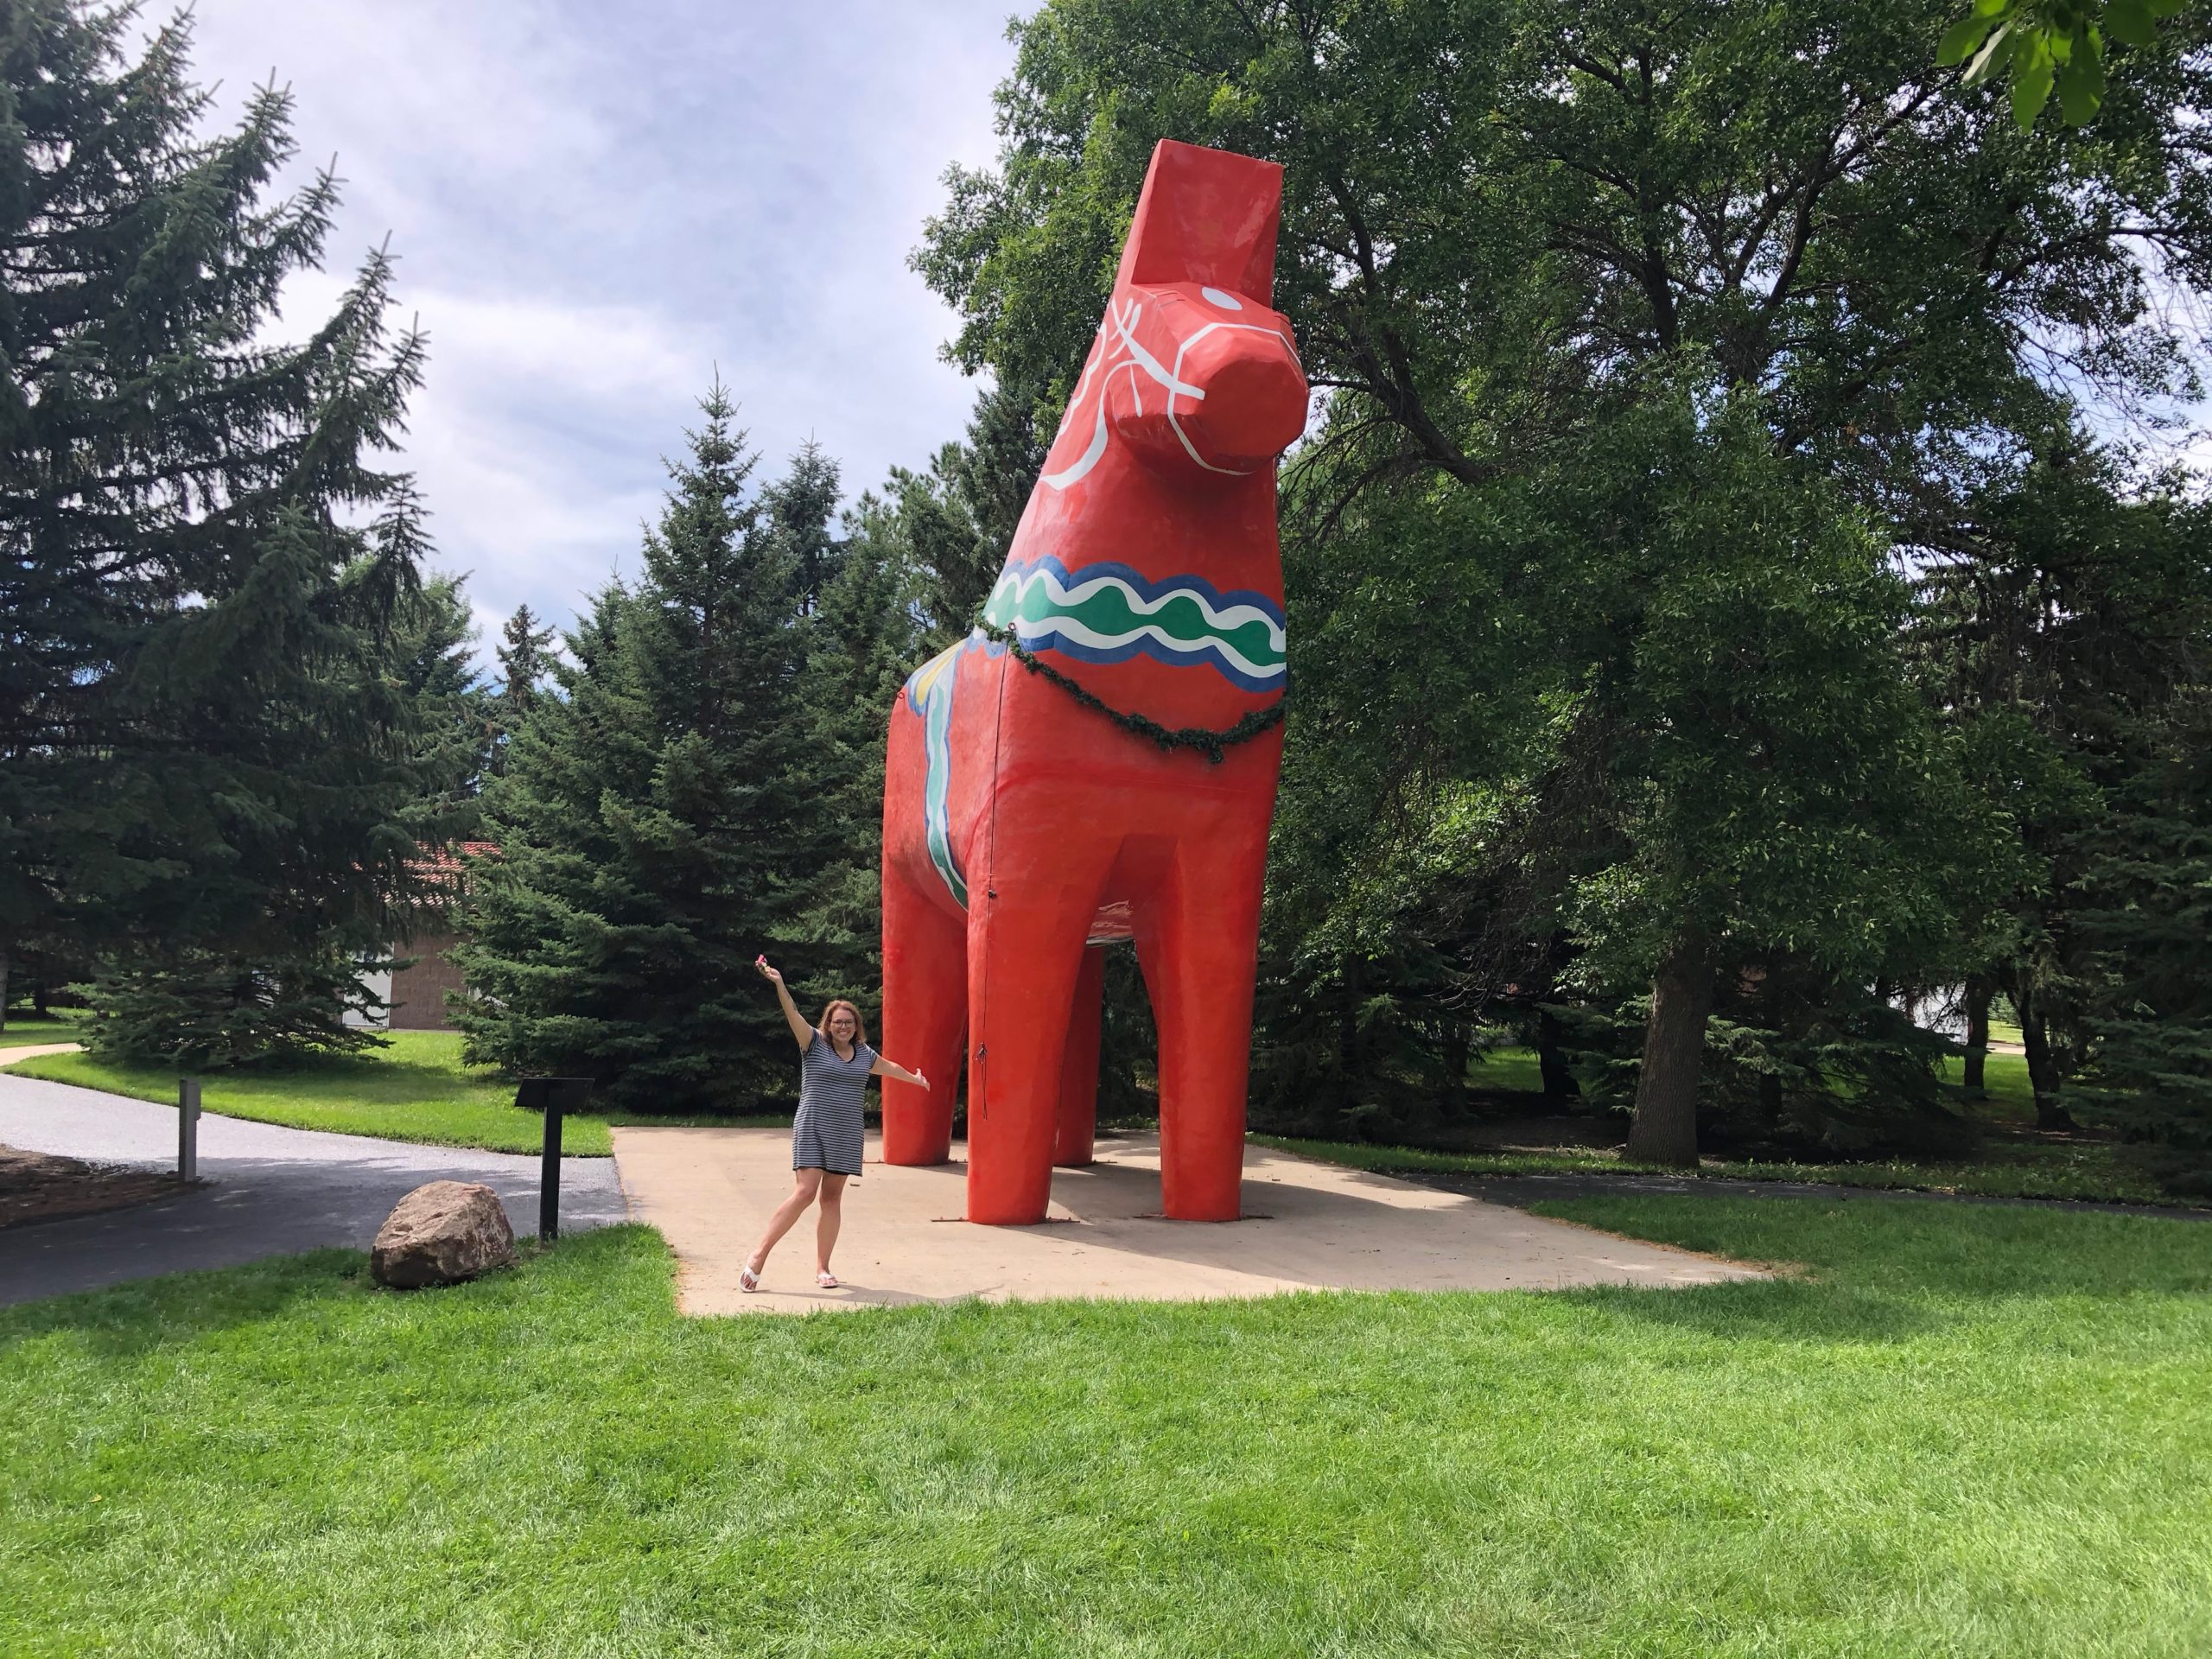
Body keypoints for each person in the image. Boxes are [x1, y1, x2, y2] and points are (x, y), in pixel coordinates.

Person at [741, 957, 929, 1292]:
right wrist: (780, 984)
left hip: (846, 1133)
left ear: (856, 1026)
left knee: (831, 1200)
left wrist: (914, 1079)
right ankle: (759, 1255)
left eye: (849, 1022)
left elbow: (891, 1068)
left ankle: (823, 1267)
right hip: (813, 1125)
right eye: (838, 1022)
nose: (844, 1027)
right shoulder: (812, 1044)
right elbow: (793, 1015)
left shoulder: (864, 1055)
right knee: (805, 1193)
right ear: (828, 1024)